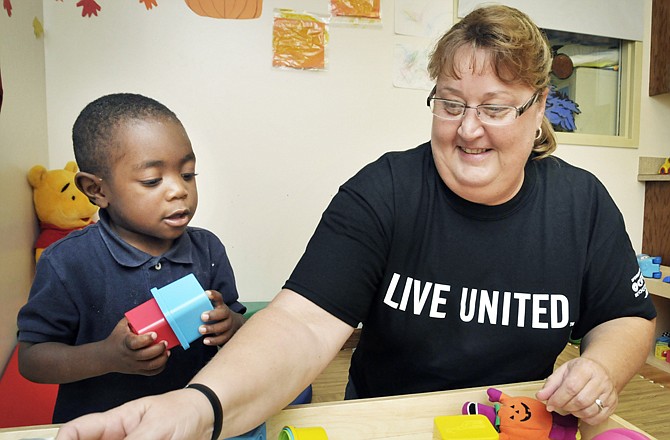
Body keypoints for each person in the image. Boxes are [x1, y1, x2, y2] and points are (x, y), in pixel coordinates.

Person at [56, 5, 656, 439]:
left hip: (515, 424)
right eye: (450, 103)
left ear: (537, 107)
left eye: (494, 109)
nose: (468, 129)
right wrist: (199, 407)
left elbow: (627, 318)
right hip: (385, 425)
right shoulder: (385, 191)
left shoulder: (582, 204)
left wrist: (599, 367)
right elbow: (299, 325)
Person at [17, 93, 247, 423]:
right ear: (97, 190)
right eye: (152, 180)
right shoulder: (66, 262)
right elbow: (32, 359)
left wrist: (231, 324)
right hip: (99, 427)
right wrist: (107, 357)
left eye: (187, 174)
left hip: (189, 423)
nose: (178, 190)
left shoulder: (208, 250)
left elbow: (237, 320)